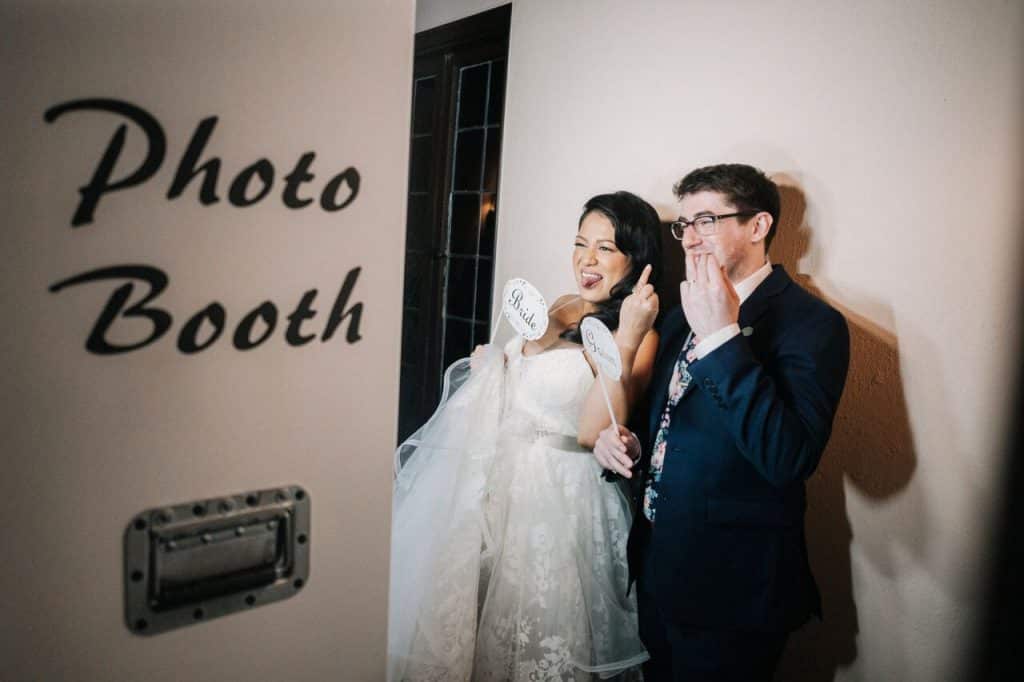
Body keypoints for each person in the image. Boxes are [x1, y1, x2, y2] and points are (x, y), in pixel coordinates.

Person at [389, 191, 663, 681]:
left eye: (605, 248)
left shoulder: (641, 334)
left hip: (561, 500)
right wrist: (493, 366)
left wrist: (627, 334)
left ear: (636, 258)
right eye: (581, 243)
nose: (587, 259)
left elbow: (591, 431)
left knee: (538, 634)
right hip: (501, 479)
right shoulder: (561, 304)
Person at [593, 164, 851, 681]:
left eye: (706, 220)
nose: (689, 239)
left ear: (758, 227)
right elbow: (669, 421)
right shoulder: (677, 313)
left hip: (733, 592)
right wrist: (625, 444)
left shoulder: (813, 325)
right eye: (683, 224)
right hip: (657, 570)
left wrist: (722, 338)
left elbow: (789, 457)